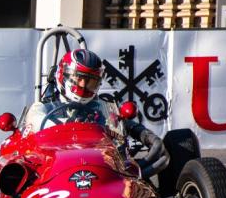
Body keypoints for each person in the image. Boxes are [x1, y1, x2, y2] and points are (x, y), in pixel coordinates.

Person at [24, 48, 169, 177]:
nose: (83, 85)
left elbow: (118, 134)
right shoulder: (40, 108)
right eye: (79, 78)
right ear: (64, 75)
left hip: (103, 169)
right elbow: (34, 134)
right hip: (55, 170)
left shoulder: (102, 109)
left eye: (90, 82)